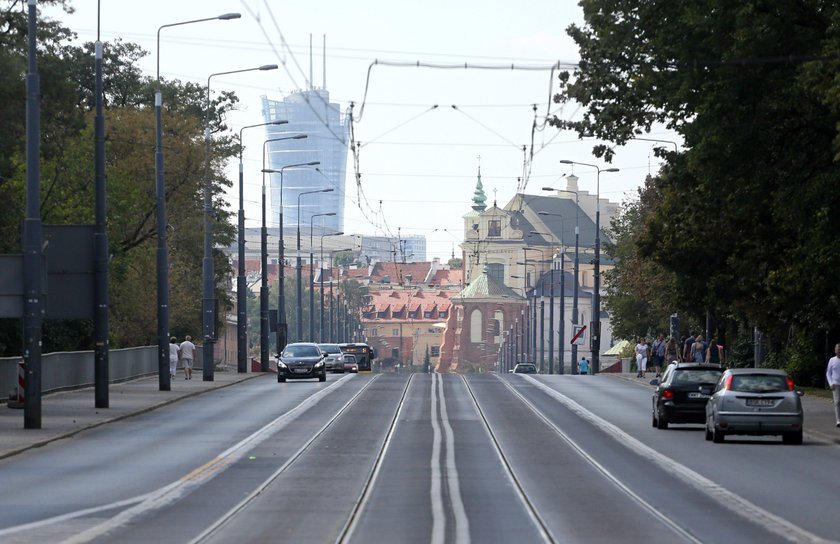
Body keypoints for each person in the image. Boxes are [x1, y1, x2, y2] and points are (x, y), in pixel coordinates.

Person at [827, 343, 840, 427]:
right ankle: (838, 420)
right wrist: (831, 383)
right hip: (835, 384)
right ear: (835, 350)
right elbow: (828, 373)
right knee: (837, 402)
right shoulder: (832, 360)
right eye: (837, 349)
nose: (839, 350)